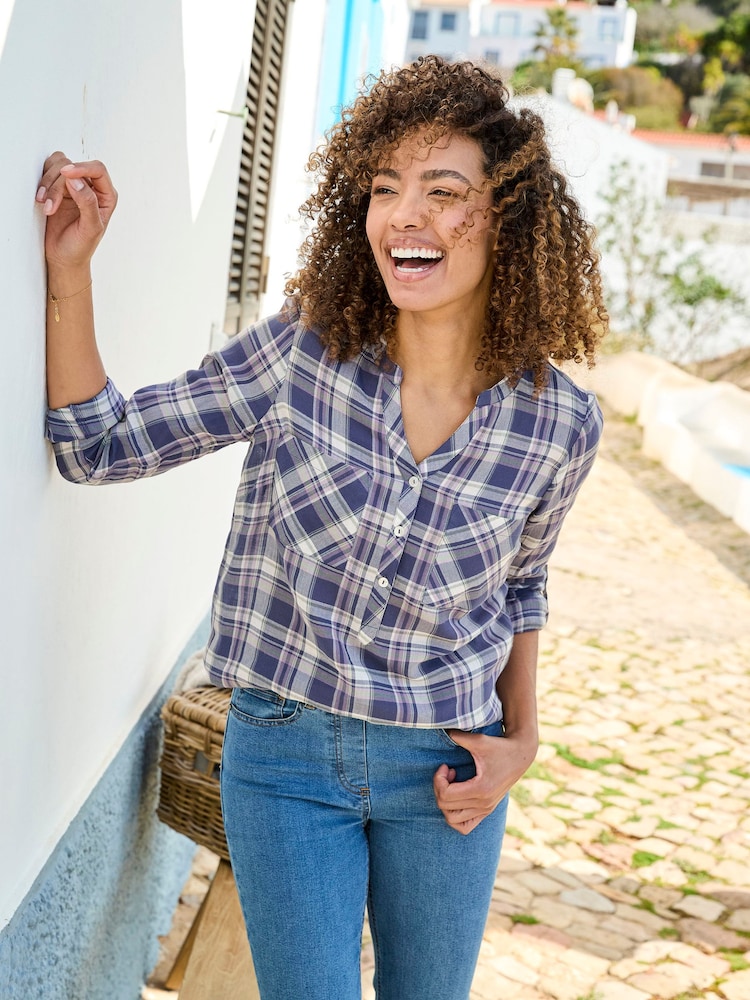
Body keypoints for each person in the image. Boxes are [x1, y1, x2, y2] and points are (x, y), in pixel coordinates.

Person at [39, 56, 606, 1000]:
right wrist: (70, 272)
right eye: (384, 189)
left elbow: (522, 583)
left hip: (448, 768)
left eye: (442, 192)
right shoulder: (303, 355)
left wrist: (523, 738)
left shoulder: (560, 424)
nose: (404, 216)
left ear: (505, 217)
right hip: (285, 755)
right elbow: (102, 445)